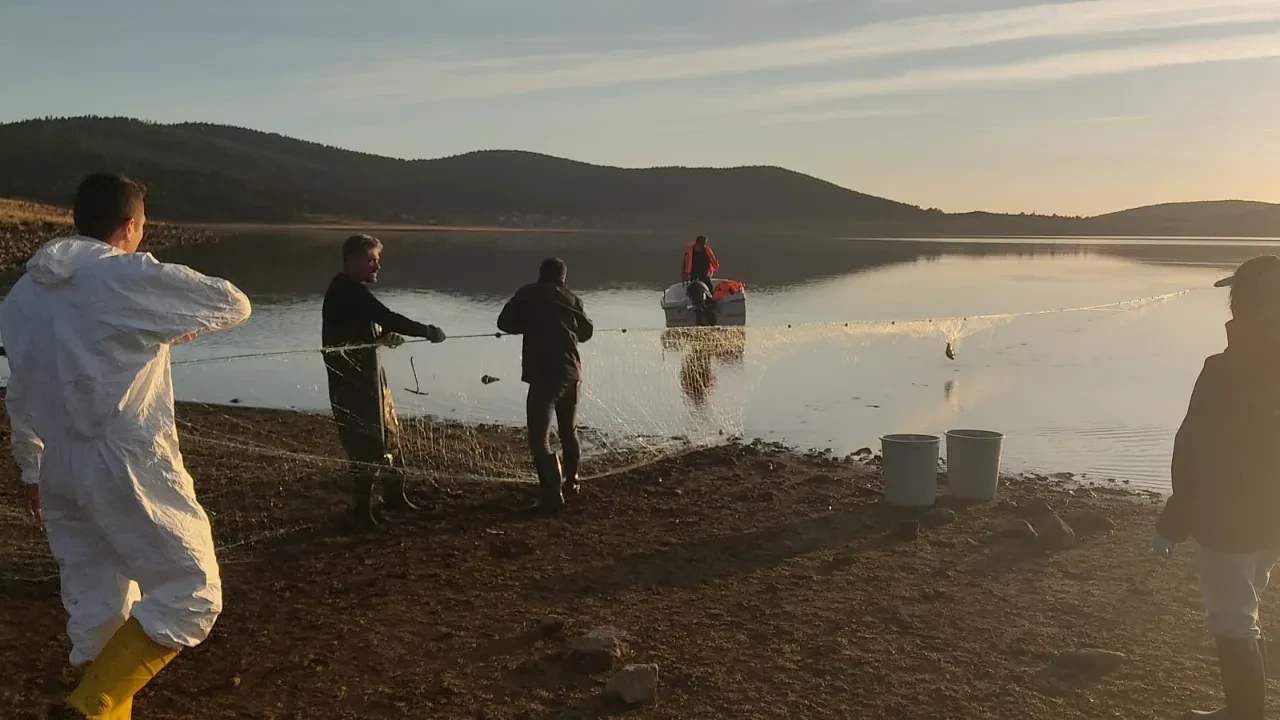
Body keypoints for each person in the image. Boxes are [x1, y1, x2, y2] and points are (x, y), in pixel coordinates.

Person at [0, 173, 252, 719]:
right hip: (126, 461)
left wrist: (29, 466)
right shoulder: (123, 275)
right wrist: (172, 316)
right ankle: (91, 707)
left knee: (100, 614)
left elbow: (19, 387)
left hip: (58, 467)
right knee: (192, 593)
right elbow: (233, 303)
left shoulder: (21, 295)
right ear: (130, 225)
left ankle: (98, 702)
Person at [1154, 254, 1280, 720]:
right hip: (1270, 517)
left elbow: (1196, 452)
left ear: (1241, 307)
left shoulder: (1223, 371)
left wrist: (1175, 518)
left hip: (1228, 520)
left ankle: (1243, 714)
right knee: (1245, 611)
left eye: (1234, 298)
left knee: (1233, 619)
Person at [322, 234, 446, 529]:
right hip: (351, 382)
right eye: (370, 260)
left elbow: (370, 324)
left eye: (378, 260)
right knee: (366, 441)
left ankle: (395, 498)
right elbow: (386, 316)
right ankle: (361, 512)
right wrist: (426, 331)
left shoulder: (353, 291)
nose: (376, 267)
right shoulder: (346, 290)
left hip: (370, 378)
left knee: (390, 434)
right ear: (351, 261)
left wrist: (381, 336)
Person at [497, 257, 594, 511]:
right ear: (563, 277)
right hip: (572, 373)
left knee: (539, 439)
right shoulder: (573, 299)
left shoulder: (528, 293)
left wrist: (530, 325)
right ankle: (572, 482)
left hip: (544, 374)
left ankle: (552, 494)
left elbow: (503, 323)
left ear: (541, 274)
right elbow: (586, 333)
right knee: (568, 431)